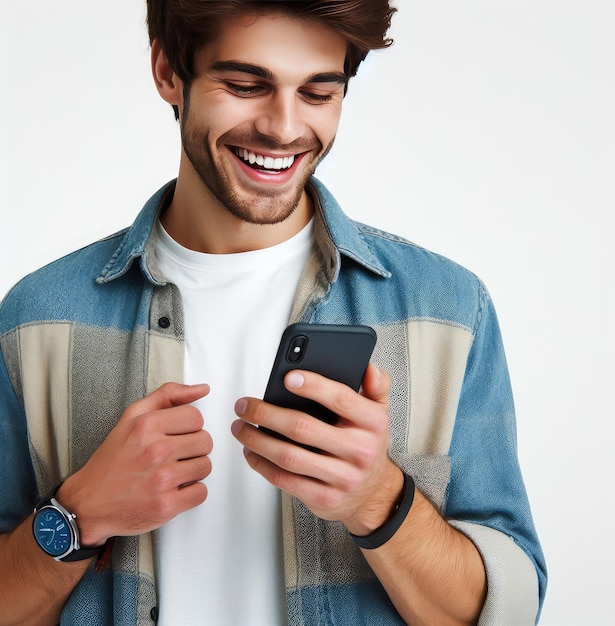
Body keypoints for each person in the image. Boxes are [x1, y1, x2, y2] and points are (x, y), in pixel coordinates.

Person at [0, 1, 547, 624]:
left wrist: (381, 503)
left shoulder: (448, 311)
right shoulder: (36, 318)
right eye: (244, 85)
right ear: (167, 71)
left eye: (318, 92)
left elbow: (514, 607)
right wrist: (78, 516)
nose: (284, 128)